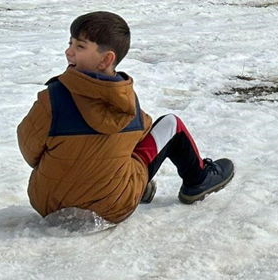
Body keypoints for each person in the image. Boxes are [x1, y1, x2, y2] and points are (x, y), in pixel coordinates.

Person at [18, 12, 235, 223]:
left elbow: (30, 152)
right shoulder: (125, 100)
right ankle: (197, 180)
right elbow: (144, 133)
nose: (69, 52)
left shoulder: (52, 98)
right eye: (71, 43)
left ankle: (133, 184)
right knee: (171, 124)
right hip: (112, 207)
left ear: (106, 59)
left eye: (79, 46)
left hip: (49, 205)